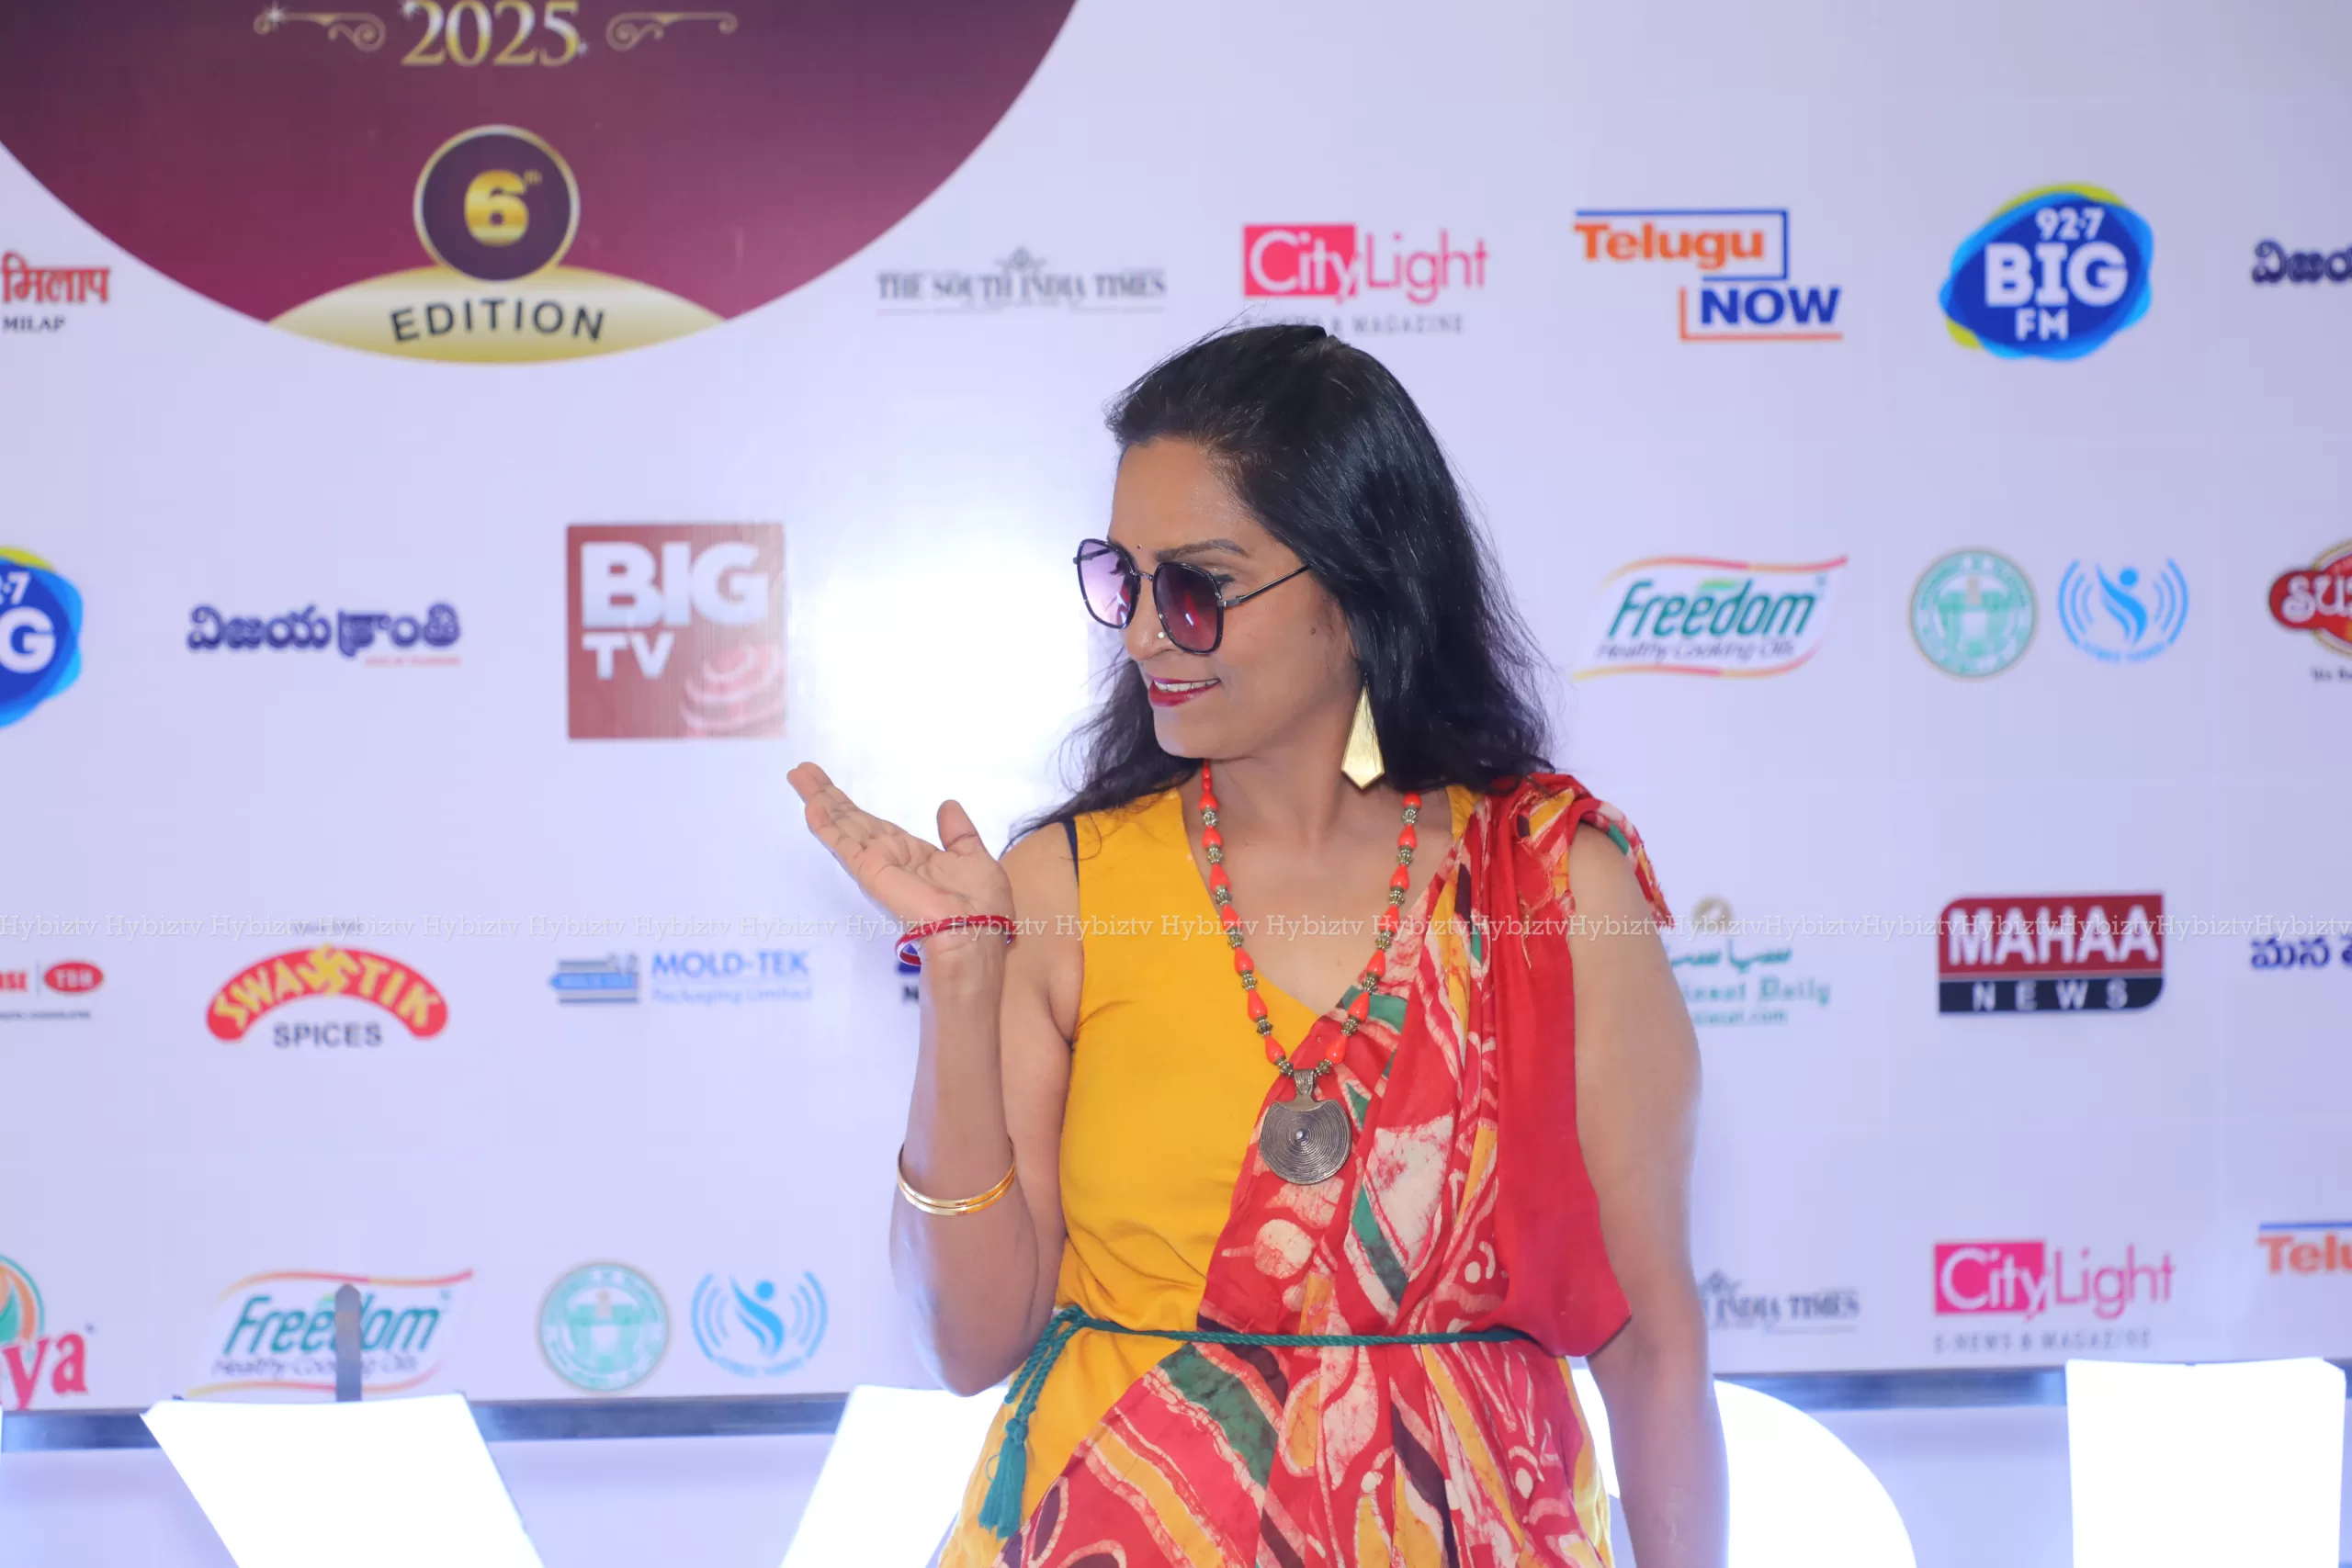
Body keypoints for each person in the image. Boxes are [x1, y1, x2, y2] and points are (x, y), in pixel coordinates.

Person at [788, 324, 1726, 1567]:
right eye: (1123, 581)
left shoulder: (1552, 887)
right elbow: (967, 1342)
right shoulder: (1067, 887)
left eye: (1196, 588)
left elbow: (1652, 1346)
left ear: (1357, 585)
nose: (1142, 634)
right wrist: (963, 979)